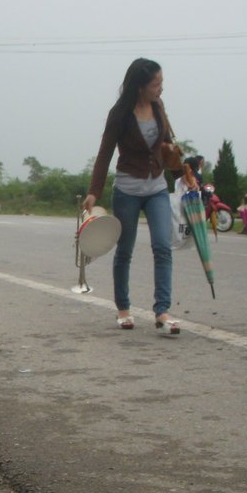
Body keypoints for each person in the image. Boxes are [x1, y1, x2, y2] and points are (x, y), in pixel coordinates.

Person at [83, 57, 180, 336]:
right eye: (156, 84)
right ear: (140, 86)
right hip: (127, 190)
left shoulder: (159, 107)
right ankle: (123, 308)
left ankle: (162, 311)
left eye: (161, 82)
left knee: (162, 247)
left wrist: (182, 171)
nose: (161, 88)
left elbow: (168, 143)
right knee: (125, 250)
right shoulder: (120, 114)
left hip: (157, 188)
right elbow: (105, 153)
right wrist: (94, 192)